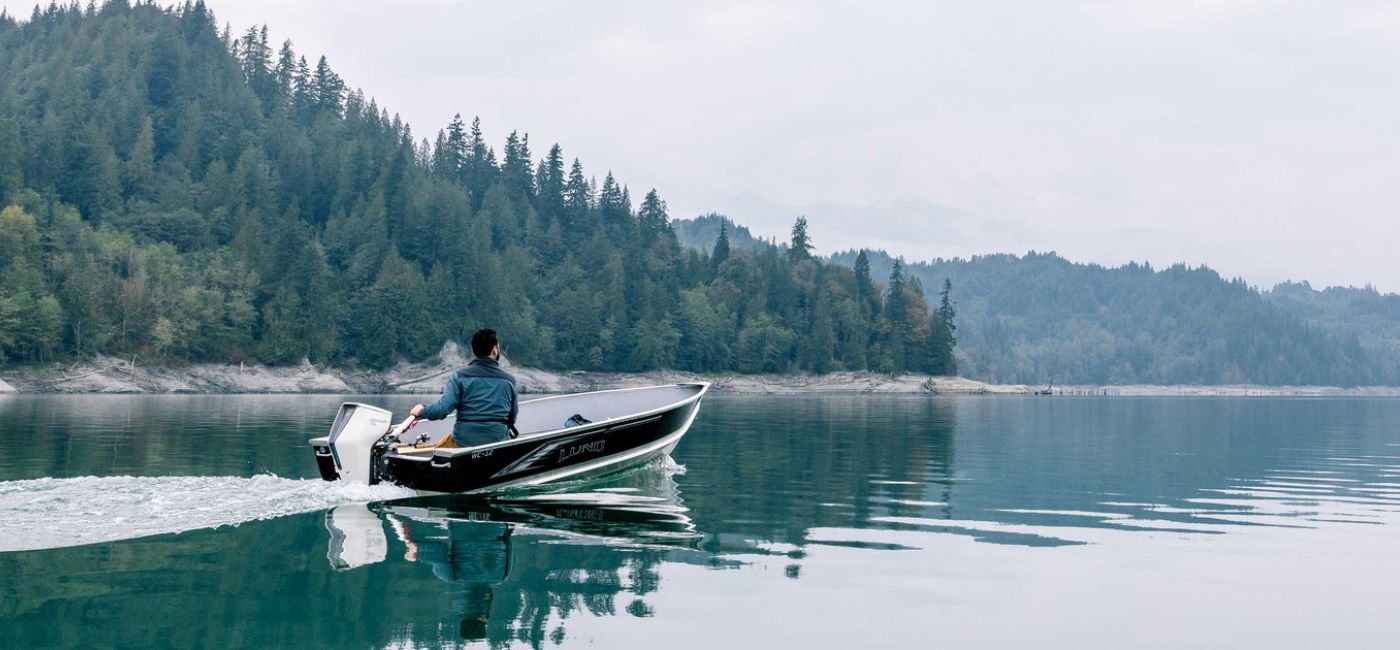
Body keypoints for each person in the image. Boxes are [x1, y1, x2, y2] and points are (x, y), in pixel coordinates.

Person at [410, 329, 519, 447]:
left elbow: (442, 410)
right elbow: (512, 418)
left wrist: (421, 411)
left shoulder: (458, 377)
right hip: (498, 441)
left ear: (474, 350)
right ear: (494, 350)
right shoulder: (510, 381)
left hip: (464, 443)